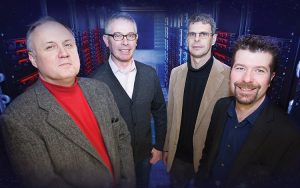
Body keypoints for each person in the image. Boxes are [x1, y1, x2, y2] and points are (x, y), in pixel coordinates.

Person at [0, 16, 135, 188]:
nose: (63, 53)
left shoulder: (100, 89)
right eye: (50, 47)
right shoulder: (18, 118)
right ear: (33, 59)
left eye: (68, 44)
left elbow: (122, 137)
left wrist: (128, 181)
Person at [195, 35, 300, 188]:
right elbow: (207, 156)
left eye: (259, 70)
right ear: (231, 71)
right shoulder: (221, 106)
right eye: (240, 68)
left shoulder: (289, 135)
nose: (247, 79)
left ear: (271, 78)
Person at [92, 13, 167, 188]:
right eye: (117, 36)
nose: (125, 42)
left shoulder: (149, 74)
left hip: (144, 157)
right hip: (112, 163)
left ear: (136, 39)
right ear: (106, 40)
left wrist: (159, 145)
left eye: (130, 36)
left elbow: (160, 110)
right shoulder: (94, 82)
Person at [163, 13, 231, 187]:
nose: (197, 39)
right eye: (192, 34)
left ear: (214, 39)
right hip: (178, 158)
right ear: (187, 38)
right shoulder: (176, 73)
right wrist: (166, 148)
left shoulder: (229, 76)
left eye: (203, 34)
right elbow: (170, 114)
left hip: (209, 161)